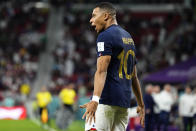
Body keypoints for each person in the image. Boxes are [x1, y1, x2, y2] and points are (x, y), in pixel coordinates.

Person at [80, 2, 145, 131]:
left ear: (105, 16)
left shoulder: (105, 36)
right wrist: (141, 104)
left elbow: (101, 71)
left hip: (105, 101)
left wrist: (95, 100)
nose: (91, 20)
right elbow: (134, 76)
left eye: (94, 16)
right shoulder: (128, 37)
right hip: (123, 104)